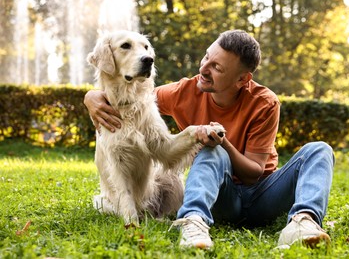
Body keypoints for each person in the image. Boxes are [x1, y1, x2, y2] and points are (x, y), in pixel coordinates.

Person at [84, 30, 334, 249]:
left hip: (263, 197)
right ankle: (193, 223)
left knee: (319, 150)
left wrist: (222, 142)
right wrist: (91, 96)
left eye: (217, 67)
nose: (203, 68)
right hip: (220, 199)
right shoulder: (185, 91)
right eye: (206, 57)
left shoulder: (264, 102)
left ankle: (304, 223)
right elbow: (135, 98)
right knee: (207, 148)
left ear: (242, 79)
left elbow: (253, 173)